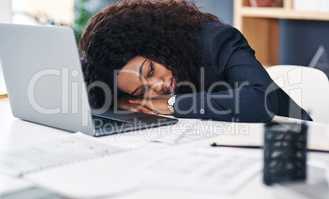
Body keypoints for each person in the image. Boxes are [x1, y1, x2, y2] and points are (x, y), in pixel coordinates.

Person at [79, 0, 311, 122]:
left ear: (153, 42)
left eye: (150, 71)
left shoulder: (217, 39)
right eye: (142, 90)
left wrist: (171, 104)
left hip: (299, 140)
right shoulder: (151, 95)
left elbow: (261, 101)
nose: (157, 86)